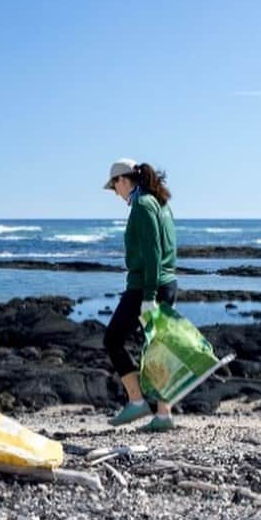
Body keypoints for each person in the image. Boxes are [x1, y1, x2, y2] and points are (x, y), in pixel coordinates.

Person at [102, 159, 178, 432]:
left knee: (113, 339)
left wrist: (148, 295)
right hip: (163, 282)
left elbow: (153, 252)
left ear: (123, 180)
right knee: (156, 347)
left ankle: (137, 401)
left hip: (147, 285)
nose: (116, 194)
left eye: (114, 188)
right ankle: (163, 415)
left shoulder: (143, 205)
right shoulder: (157, 202)